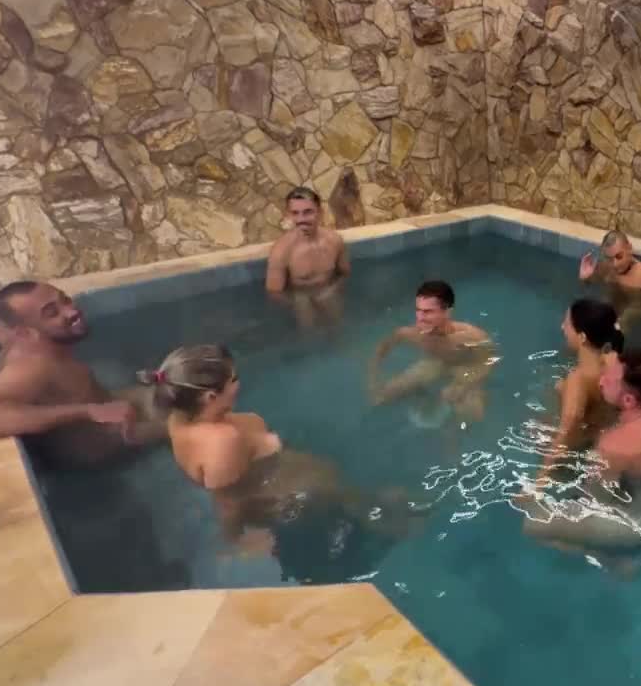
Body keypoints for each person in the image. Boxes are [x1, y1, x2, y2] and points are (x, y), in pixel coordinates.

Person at [141, 344, 421, 557]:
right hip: (293, 494)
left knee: (351, 493)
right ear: (210, 397)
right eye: (234, 379)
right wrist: (237, 540)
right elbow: (227, 500)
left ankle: (376, 502)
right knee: (359, 507)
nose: (239, 383)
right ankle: (406, 534)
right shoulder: (222, 442)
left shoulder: (180, 415)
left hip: (285, 474)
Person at [0, 281, 166, 468]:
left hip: (109, 409)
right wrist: (89, 411)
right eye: (52, 313)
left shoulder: (11, 333)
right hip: (104, 447)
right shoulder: (30, 366)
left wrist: (95, 409)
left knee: (174, 387)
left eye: (65, 299)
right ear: (24, 332)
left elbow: (2, 325)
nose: (72, 311)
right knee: (183, 424)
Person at [523, 348, 641, 552]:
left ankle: (612, 557)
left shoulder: (614, 446)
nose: (602, 380)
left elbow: (592, 503)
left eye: (610, 380)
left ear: (628, 400)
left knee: (533, 523)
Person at [368, 280, 496, 423]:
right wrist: (373, 378)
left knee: (473, 414)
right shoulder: (411, 334)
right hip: (436, 363)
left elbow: (488, 361)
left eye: (428, 312)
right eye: (418, 310)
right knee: (385, 395)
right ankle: (420, 394)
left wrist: (465, 383)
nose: (421, 318)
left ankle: (452, 430)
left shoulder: (471, 336)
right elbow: (382, 349)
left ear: (447, 312)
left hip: (465, 367)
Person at [545, 299, 625, 460]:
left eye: (567, 324)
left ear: (582, 337)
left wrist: (543, 472)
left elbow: (569, 426)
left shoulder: (578, 379)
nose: (562, 327)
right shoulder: (616, 367)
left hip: (575, 455)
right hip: (601, 446)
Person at [265, 186, 351, 329]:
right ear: (289, 215)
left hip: (328, 292)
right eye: (295, 213)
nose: (301, 219)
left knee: (338, 328)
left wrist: (333, 289)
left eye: (308, 212)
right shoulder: (281, 251)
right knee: (309, 327)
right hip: (300, 298)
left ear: (320, 212)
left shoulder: (334, 240)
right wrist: (298, 302)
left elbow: (344, 273)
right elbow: (274, 293)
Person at [578, 230, 641, 330]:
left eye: (619, 256)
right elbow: (585, 291)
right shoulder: (605, 269)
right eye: (609, 259)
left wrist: (634, 314)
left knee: (625, 318)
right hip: (610, 313)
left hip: (634, 321)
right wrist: (584, 278)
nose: (615, 264)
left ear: (629, 248)